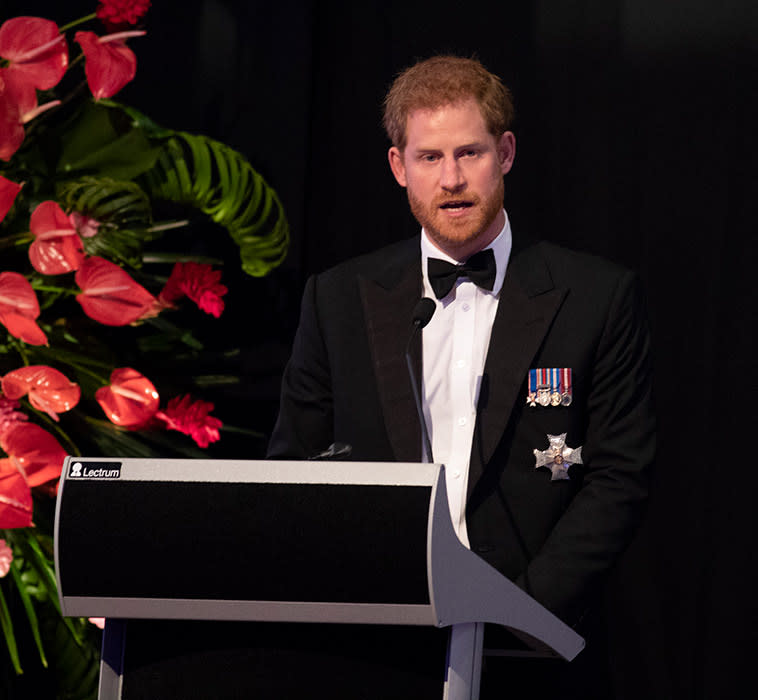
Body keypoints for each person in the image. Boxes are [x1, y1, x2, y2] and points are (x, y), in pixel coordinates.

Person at [268, 55, 655, 698]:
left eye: (469, 153)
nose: (451, 179)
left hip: (536, 648)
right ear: (398, 167)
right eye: (429, 158)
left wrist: (519, 616)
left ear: (505, 153)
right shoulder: (336, 298)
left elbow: (620, 476)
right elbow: (293, 470)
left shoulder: (597, 296)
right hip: (373, 647)